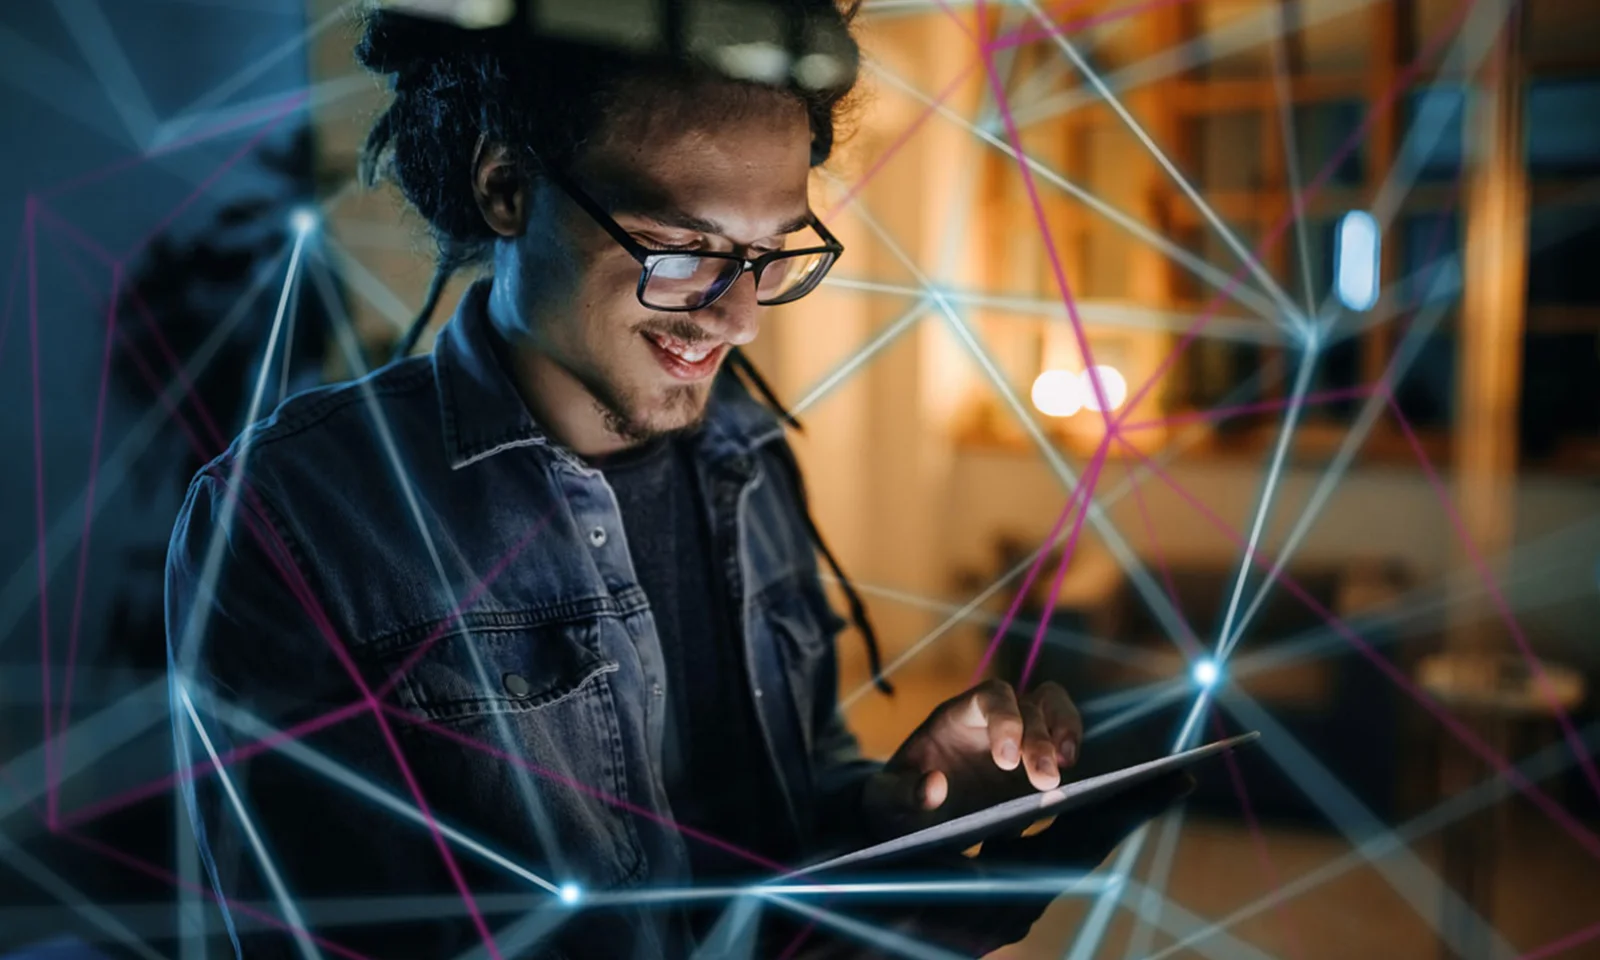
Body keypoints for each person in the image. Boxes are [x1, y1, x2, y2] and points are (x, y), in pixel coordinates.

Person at [165, 1, 1188, 957]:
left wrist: (888, 810)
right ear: (507, 188)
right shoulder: (299, 519)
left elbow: (777, 808)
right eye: (679, 248)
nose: (735, 318)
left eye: (767, 254)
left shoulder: (747, 453)